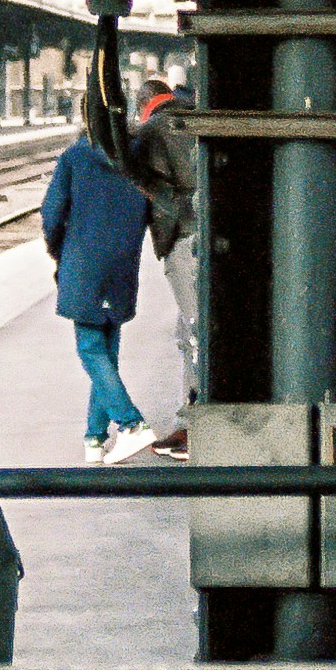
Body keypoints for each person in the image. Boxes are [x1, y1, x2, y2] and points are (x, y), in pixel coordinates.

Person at [40, 123, 156, 464]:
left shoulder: (75, 157)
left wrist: (59, 250)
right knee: (106, 350)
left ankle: (131, 424)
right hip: (122, 265)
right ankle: (94, 437)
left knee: (90, 349)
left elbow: (51, 214)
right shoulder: (136, 159)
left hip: (84, 264)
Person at [126, 77, 199, 453]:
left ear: (143, 105)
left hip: (186, 241)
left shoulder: (152, 131)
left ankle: (195, 427)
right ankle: (190, 419)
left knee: (195, 332)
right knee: (189, 331)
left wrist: (166, 237)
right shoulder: (194, 115)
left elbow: (156, 191)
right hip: (208, 234)